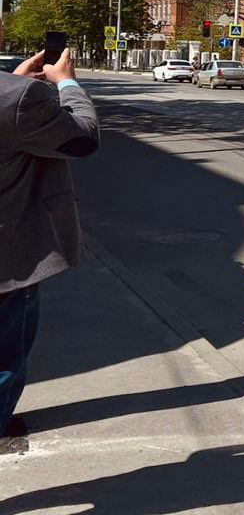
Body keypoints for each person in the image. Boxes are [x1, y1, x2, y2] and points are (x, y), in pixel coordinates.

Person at [0, 49, 99, 438]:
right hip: (10, 258)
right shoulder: (16, 98)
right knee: (6, 355)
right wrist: (67, 83)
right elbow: (82, 138)